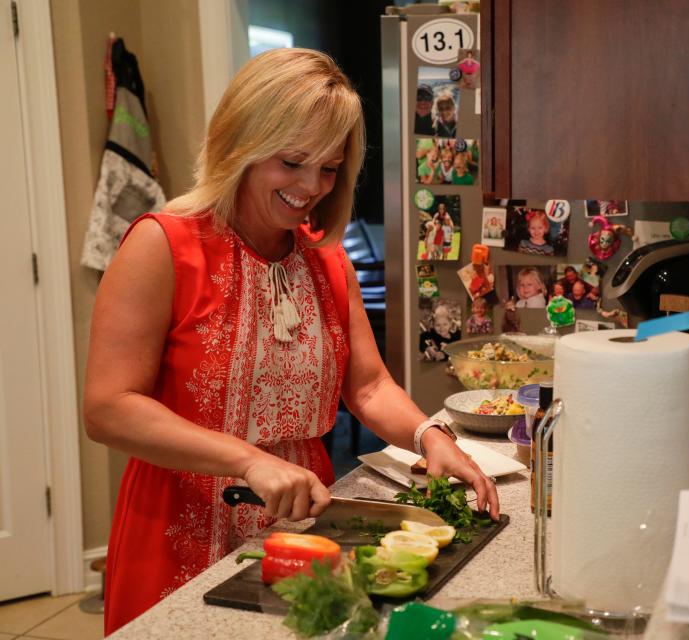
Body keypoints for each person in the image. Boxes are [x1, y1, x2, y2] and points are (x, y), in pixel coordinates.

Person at [84, 49, 499, 635]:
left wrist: (430, 435)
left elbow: (369, 383)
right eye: (292, 161)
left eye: (328, 168)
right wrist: (248, 461)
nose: (310, 187)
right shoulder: (163, 246)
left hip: (305, 527)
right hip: (179, 533)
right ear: (239, 144)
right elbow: (107, 409)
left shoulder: (326, 258)